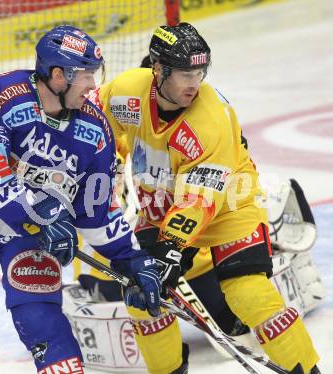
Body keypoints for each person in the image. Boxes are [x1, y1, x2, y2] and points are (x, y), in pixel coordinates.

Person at [0, 25, 162, 374]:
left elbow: (97, 210)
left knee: (43, 323)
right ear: (58, 76)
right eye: (86, 75)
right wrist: (44, 213)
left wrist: (133, 261)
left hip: (30, 231)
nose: (93, 85)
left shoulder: (95, 132)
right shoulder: (4, 94)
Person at [86, 23, 320, 374]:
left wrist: (169, 249)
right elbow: (91, 126)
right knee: (142, 294)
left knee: (249, 295)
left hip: (229, 209)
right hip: (161, 209)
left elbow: (199, 201)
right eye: (185, 73)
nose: (194, 83)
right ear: (159, 69)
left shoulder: (210, 120)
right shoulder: (127, 93)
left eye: (200, 72)